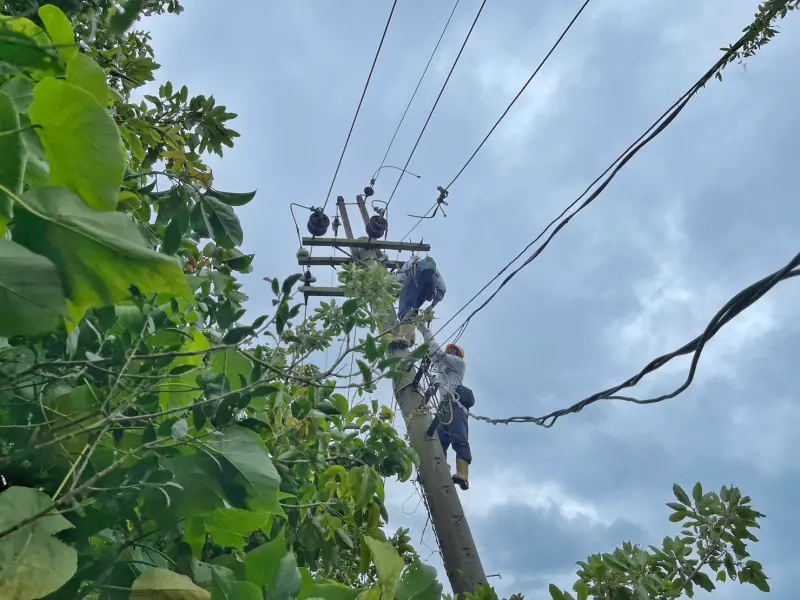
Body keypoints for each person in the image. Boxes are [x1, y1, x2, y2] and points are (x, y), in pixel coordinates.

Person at [416, 322, 472, 491]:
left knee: (459, 439)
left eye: (453, 351)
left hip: (456, 407)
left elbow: (437, 353)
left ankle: (463, 474)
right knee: (438, 444)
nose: (450, 352)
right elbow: (434, 356)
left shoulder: (457, 363)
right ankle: (439, 471)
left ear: (458, 355)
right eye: (450, 350)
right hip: (443, 409)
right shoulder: (442, 369)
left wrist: (426, 331)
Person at [392, 255, 446, 348]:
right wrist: (432, 306)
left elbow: (400, 278)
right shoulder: (435, 272)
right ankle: (410, 336)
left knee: (406, 305)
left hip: (415, 276)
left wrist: (396, 290)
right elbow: (442, 289)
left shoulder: (412, 262)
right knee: (413, 309)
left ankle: (402, 336)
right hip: (430, 287)